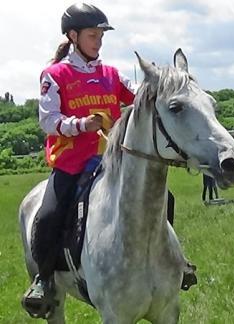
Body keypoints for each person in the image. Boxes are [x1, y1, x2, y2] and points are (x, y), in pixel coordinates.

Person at [23, 4, 196, 313]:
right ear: (73, 36)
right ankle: (44, 280)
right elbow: (48, 120)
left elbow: (142, 97)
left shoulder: (110, 74)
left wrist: (165, 84)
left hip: (111, 163)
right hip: (71, 163)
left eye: (101, 36)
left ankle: (169, 262)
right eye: (93, 35)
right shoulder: (55, 75)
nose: (98, 42)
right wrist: (79, 125)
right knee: (48, 214)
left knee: (164, 198)